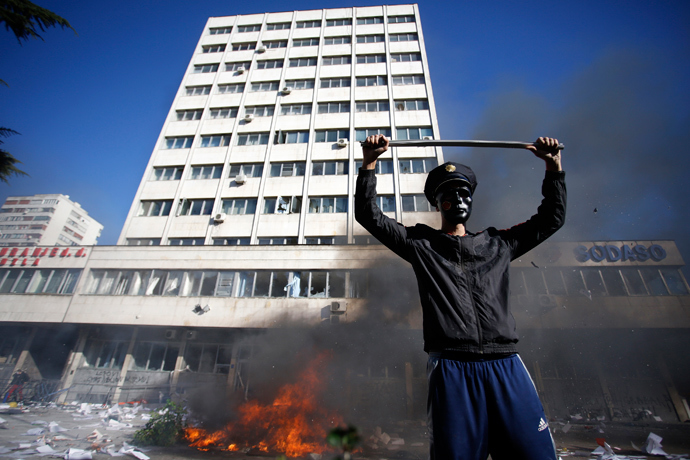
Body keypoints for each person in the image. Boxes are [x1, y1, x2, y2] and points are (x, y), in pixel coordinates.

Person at [355, 135, 566, 460]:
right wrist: (370, 162)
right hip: (452, 369)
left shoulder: (499, 244)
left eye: (465, 192)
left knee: (535, 454)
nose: (460, 198)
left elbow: (551, 217)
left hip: (505, 364)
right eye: (450, 193)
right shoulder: (421, 245)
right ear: (438, 203)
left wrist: (553, 167)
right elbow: (369, 215)